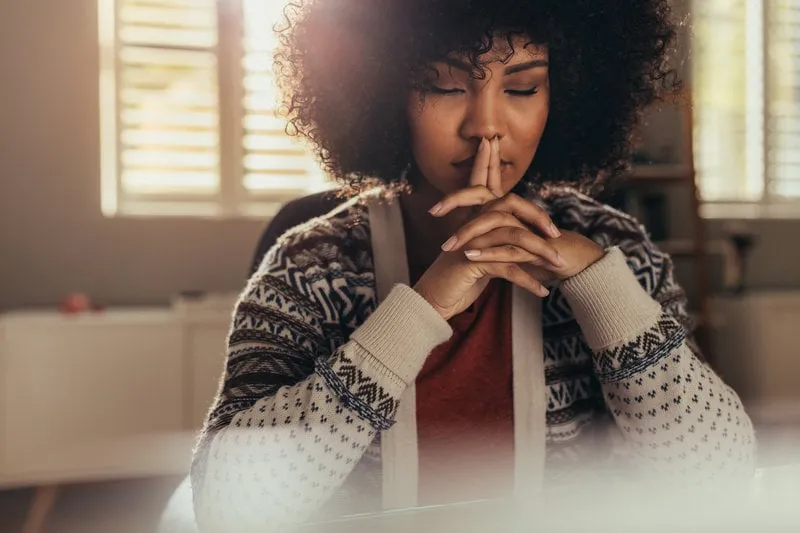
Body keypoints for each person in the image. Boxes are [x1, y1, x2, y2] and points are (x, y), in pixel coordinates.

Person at [190, 0, 756, 530]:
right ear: (384, 90)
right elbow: (228, 506)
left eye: (523, 87)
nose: (486, 125)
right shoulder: (314, 267)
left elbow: (719, 478)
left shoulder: (615, 247)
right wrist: (422, 309)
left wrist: (601, 290)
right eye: (444, 85)